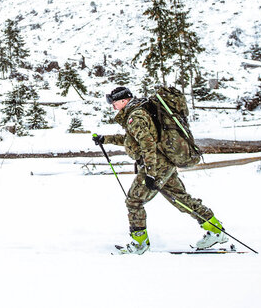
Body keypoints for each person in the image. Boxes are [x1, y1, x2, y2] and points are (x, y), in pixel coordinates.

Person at [92, 86, 227, 255]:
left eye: (113, 102)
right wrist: (106, 139)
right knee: (181, 199)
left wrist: (150, 173)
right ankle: (216, 230)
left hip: (156, 165)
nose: (112, 105)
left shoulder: (136, 116)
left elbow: (147, 145)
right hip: (163, 164)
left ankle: (140, 244)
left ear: (123, 100)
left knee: (134, 201)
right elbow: (131, 140)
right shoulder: (137, 112)